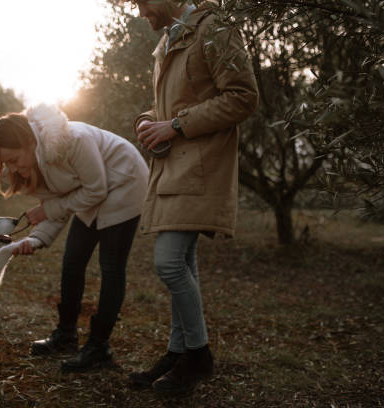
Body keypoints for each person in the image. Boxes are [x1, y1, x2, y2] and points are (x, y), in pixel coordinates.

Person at [128, 0, 259, 394]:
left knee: (168, 263)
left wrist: (176, 126)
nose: (139, 12)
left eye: (142, 1)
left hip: (200, 169)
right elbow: (173, 107)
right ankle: (178, 352)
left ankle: (198, 356)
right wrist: (148, 119)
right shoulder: (171, 38)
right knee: (183, 261)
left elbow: (242, 97)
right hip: (175, 170)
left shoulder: (215, 29)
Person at [0, 104, 149, 373]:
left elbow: (94, 189)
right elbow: (58, 205)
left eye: (13, 159)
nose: (12, 168)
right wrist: (34, 240)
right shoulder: (34, 163)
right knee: (72, 261)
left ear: (29, 142)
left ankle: (99, 347)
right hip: (93, 192)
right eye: (6, 162)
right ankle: (66, 334)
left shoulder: (73, 141)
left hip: (124, 181)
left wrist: (47, 210)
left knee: (111, 267)